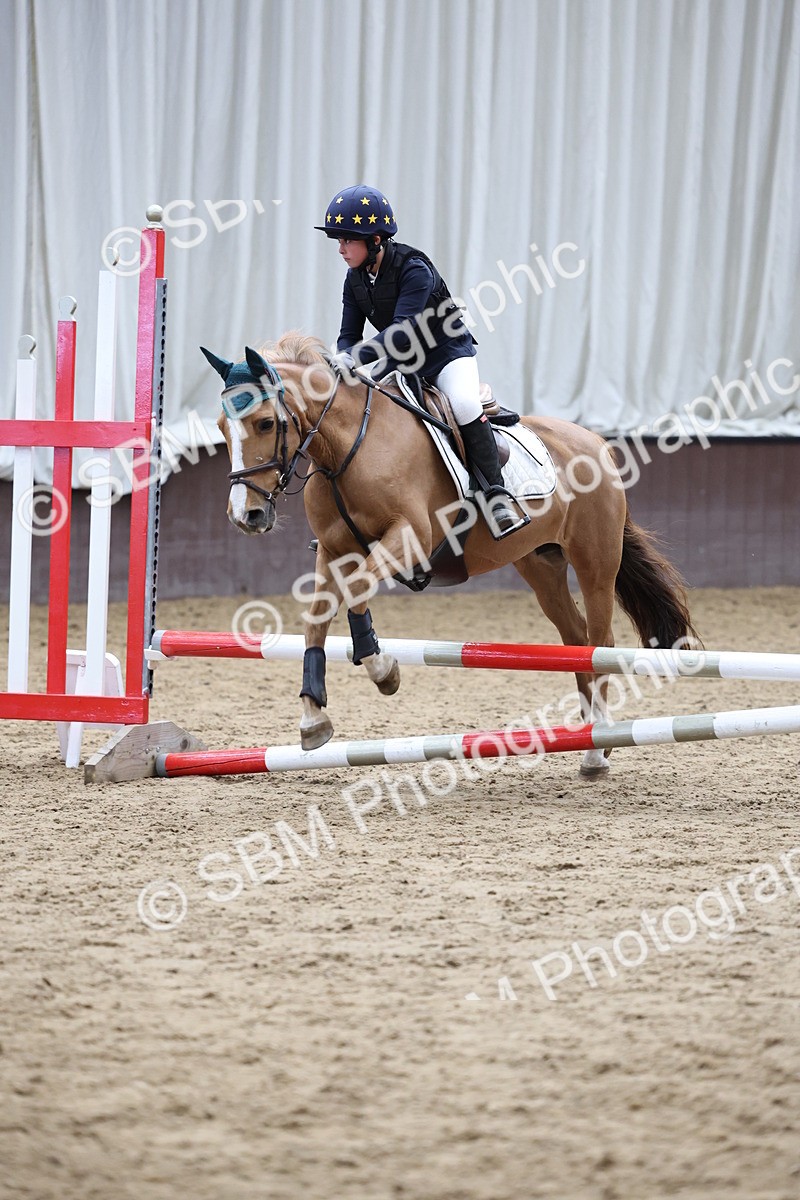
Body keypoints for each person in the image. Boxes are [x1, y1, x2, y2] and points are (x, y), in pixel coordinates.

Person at [315, 184, 528, 538]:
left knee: (463, 403)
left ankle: (496, 494)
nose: (341, 249)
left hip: (445, 353)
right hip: (401, 361)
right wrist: (340, 360)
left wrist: (356, 357)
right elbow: (349, 334)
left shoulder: (415, 269)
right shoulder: (354, 279)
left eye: (348, 240)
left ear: (376, 240)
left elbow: (402, 331)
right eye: (339, 240)